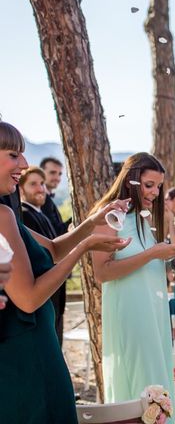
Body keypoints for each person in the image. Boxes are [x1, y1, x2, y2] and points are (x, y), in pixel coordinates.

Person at [0, 121, 130, 423]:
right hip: (28, 353)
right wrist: (85, 248)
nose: (25, 163)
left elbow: (53, 249)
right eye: (13, 155)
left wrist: (92, 221)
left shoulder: (8, 213)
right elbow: (29, 298)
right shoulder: (3, 216)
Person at [90, 152, 175, 418]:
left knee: (157, 382)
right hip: (131, 318)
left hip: (155, 318)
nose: (156, 192)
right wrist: (152, 254)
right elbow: (101, 272)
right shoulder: (109, 216)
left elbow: (164, 277)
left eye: (158, 186)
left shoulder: (143, 219)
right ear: (130, 182)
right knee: (138, 386)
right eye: (149, 185)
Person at [18, 166, 66, 344]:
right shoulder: (24, 216)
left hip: (54, 297)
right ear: (21, 189)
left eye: (42, 184)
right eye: (33, 184)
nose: (40, 189)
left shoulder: (40, 214)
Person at [39, 157, 70, 236]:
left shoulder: (47, 198)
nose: (57, 178)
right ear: (41, 173)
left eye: (59, 174)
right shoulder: (43, 200)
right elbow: (56, 232)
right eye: (52, 173)